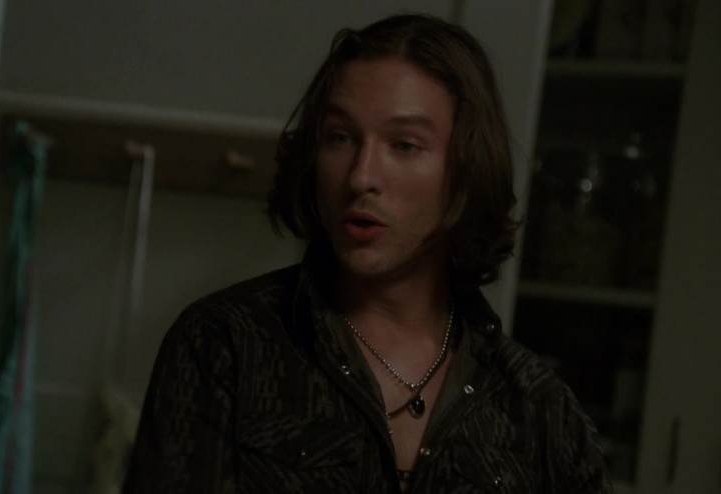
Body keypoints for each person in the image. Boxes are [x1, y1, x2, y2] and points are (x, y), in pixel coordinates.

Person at [123, 14, 612, 493]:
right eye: (339, 138)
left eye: (405, 145)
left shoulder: (540, 410)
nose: (360, 176)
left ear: (467, 170)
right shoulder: (226, 344)